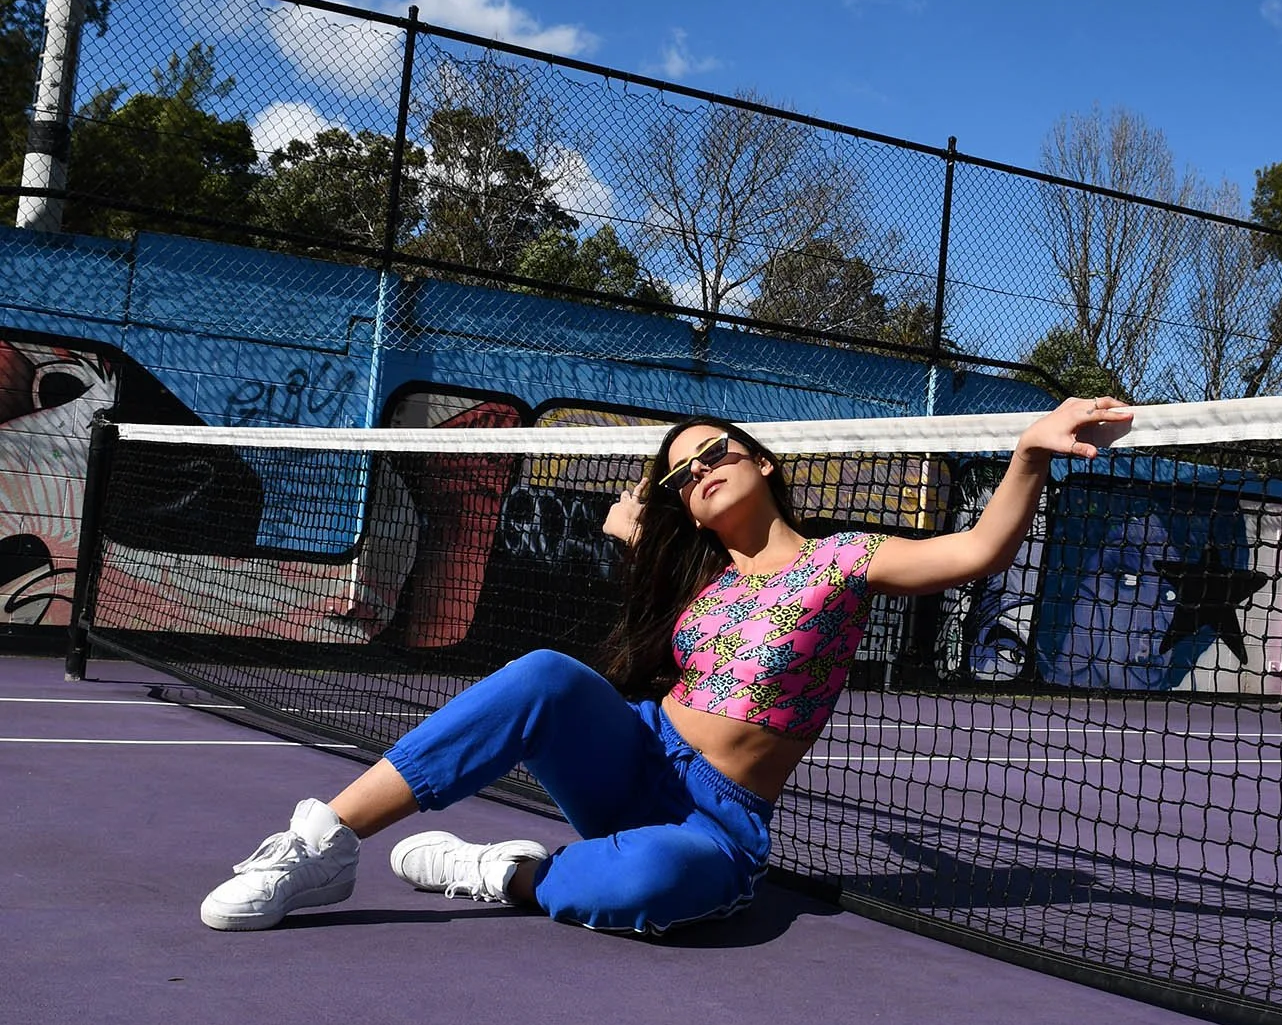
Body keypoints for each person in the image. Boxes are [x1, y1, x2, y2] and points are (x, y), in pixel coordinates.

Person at [199, 397, 1132, 935]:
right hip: (636, 759)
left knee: (661, 885)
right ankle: (318, 849)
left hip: (716, 821)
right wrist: (641, 515)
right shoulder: (694, 582)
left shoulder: (844, 559)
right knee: (542, 674)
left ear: (762, 462)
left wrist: (1027, 457)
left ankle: (506, 874)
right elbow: (633, 527)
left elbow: (975, 552)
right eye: (681, 477)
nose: (699, 476)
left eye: (713, 456)